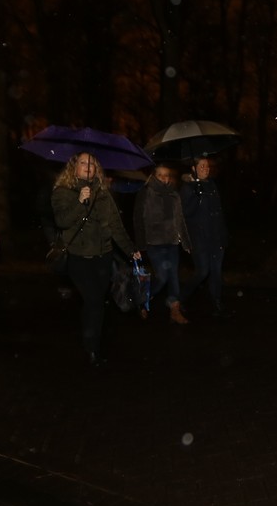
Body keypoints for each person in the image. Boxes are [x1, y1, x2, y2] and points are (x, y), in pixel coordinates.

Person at [51, 152, 139, 366]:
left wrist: (130, 249)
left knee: (96, 302)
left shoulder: (103, 193)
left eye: (91, 163)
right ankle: (92, 348)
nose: (87, 166)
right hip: (78, 258)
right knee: (94, 301)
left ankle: (92, 335)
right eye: (82, 162)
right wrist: (80, 201)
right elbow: (62, 221)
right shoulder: (63, 192)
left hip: (103, 257)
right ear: (74, 167)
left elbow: (116, 225)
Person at [135, 163, 192, 324]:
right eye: (160, 175)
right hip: (154, 242)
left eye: (166, 175)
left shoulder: (174, 194)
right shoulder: (146, 193)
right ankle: (143, 300)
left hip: (172, 242)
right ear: (154, 176)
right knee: (162, 277)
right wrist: (140, 244)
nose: (164, 178)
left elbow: (180, 219)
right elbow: (138, 220)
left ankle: (174, 309)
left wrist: (186, 242)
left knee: (173, 276)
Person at [179, 156, 228, 316]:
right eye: (202, 166)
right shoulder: (187, 188)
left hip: (216, 237)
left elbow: (218, 212)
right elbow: (185, 214)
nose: (206, 168)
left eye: (207, 166)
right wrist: (196, 196)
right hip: (199, 238)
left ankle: (217, 303)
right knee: (202, 272)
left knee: (216, 271)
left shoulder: (212, 185)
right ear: (193, 168)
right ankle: (180, 299)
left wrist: (223, 235)